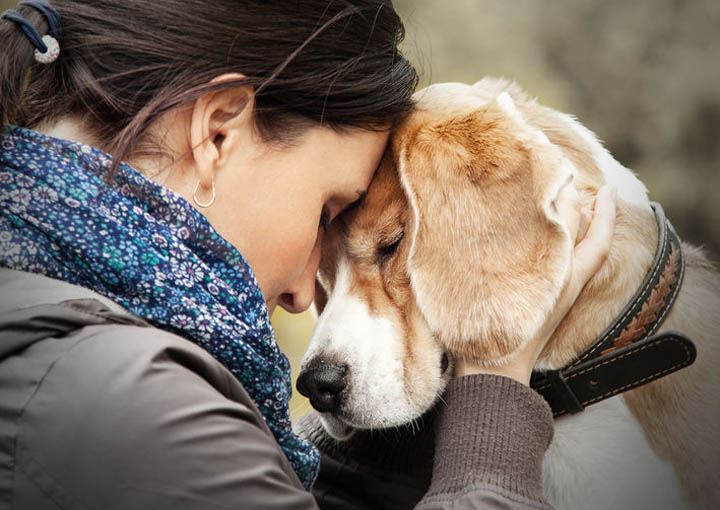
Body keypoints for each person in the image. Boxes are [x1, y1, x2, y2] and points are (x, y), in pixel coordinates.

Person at [0, 1, 616, 509]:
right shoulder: (127, 399)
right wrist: (494, 393)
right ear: (217, 132)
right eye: (325, 213)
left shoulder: (51, 322)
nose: (302, 297)